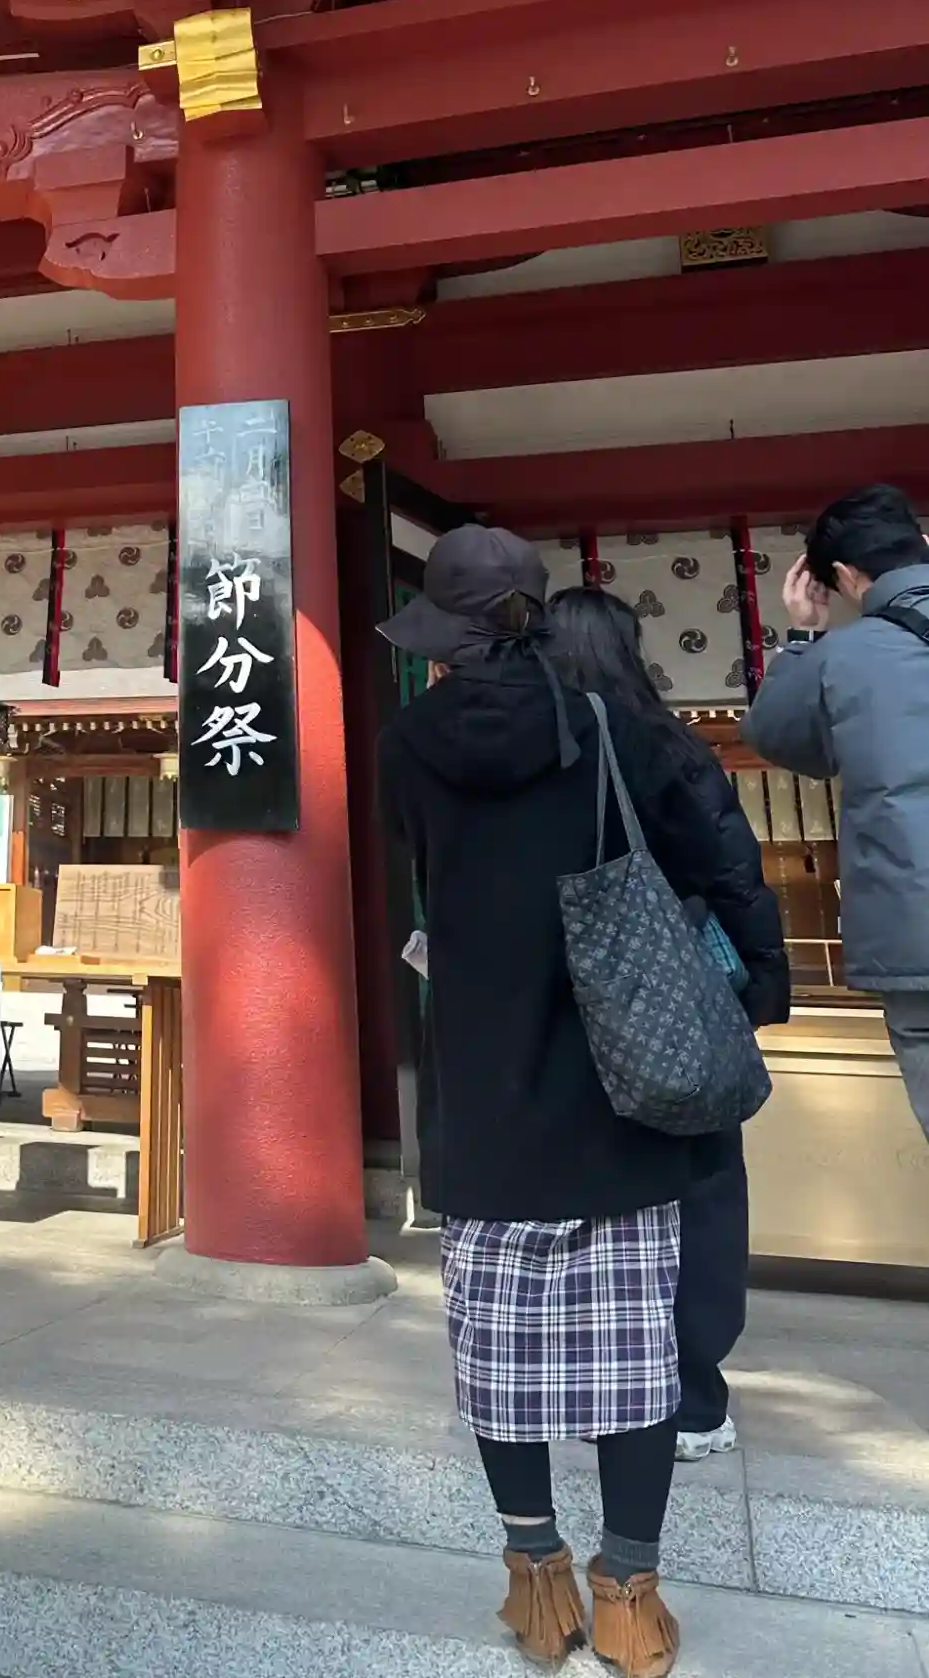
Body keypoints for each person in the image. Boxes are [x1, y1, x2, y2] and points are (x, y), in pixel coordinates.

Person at [378, 527, 789, 1678]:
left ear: (448, 638)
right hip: (617, 1080)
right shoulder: (608, 725)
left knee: (499, 1355)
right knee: (632, 1356)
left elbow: (416, 870)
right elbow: (693, 860)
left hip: (483, 1083)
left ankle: (535, 1581)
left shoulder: (405, 742)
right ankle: (629, 1600)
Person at [548, 587, 790, 1464]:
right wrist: (762, 980)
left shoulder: (539, 752)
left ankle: (600, 1386)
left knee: (591, 1201)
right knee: (702, 1189)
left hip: (566, 1008)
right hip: (677, 1000)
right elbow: (730, 873)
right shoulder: (666, 744)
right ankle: (692, 1395)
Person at [746, 484, 929, 1141]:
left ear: (845, 576)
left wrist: (802, 635)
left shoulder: (840, 657)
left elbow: (776, 737)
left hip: (916, 931)